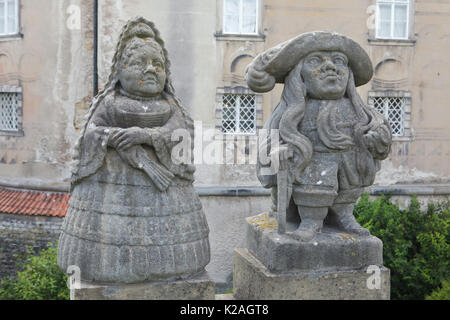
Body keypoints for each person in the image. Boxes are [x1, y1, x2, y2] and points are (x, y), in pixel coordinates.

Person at [58, 17, 210, 283]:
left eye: (157, 64)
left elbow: (184, 136)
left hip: (167, 203)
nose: (151, 70)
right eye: (141, 64)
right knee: (107, 257)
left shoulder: (172, 107)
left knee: (173, 257)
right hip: (110, 203)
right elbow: (87, 135)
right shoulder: (109, 103)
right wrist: (112, 137)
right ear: (121, 69)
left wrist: (147, 136)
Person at [246, 32, 392, 240]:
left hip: (350, 164)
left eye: (338, 61)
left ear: (349, 74)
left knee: (349, 186)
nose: (330, 67)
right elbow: (268, 143)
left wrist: (376, 139)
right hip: (312, 166)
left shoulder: (359, 110)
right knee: (314, 184)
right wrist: (277, 152)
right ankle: (311, 222)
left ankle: (346, 216)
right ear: (299, 76)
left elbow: (380, 134)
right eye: (315, 61)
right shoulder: (292, 111)